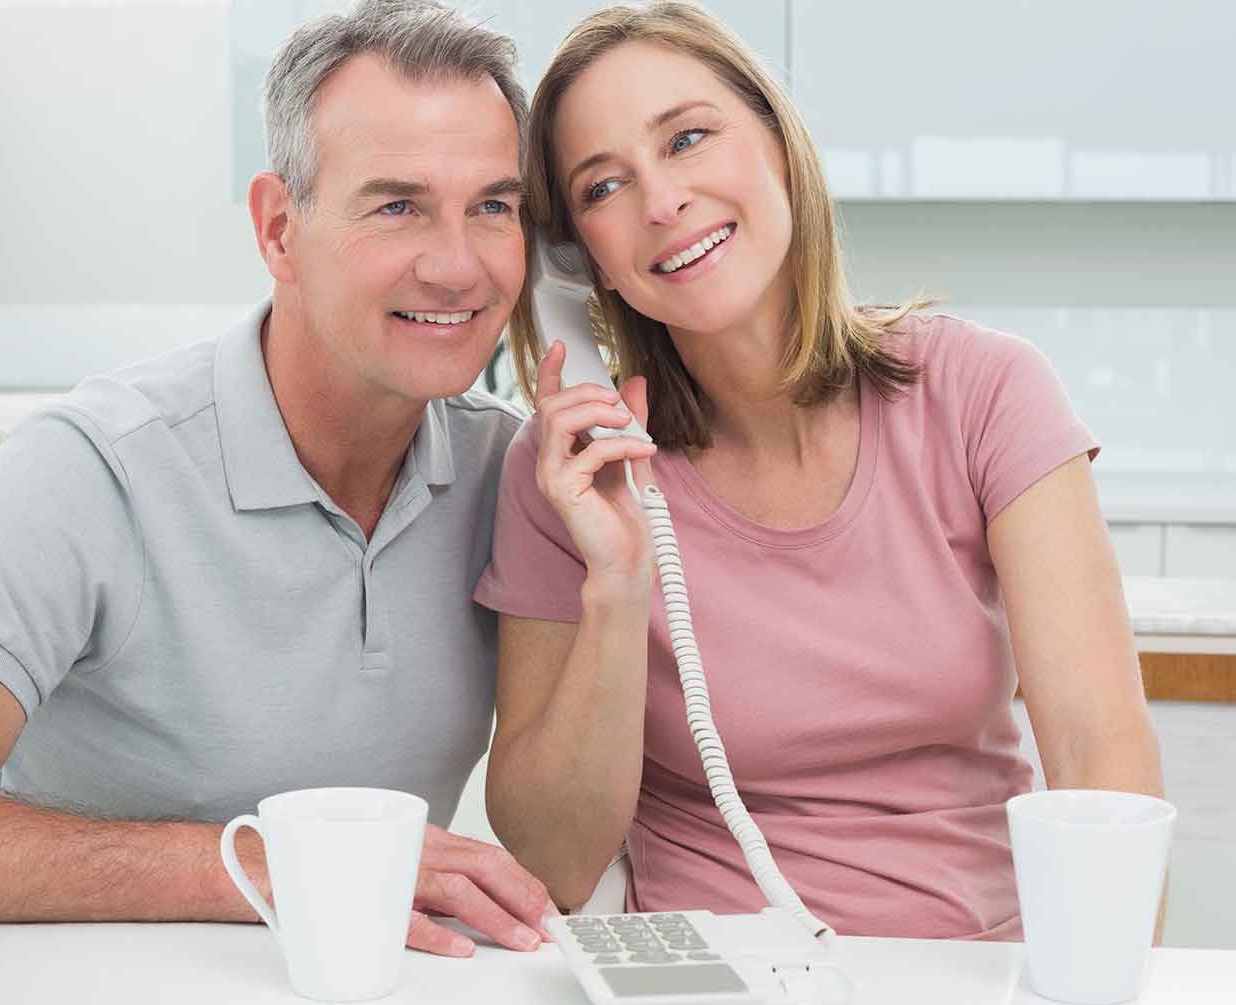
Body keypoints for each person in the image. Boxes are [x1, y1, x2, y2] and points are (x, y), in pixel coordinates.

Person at [0, 0, 557, 960]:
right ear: (280, 230)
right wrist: (261, 866)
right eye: (397, 204)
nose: (457, 265)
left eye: (493, 206)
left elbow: (565, 848)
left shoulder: (511, 475)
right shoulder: (92, 469)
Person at [473, 2, 1165, 940]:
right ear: (573, 257)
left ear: (778, 139)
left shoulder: (986, 395)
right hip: (710, 997)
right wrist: (621, 582)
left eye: (688, 138)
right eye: (602, 188)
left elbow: (1103, 772)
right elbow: (555, 861)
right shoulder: (569, 471)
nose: (662, 201)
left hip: (982, 979)